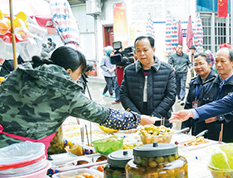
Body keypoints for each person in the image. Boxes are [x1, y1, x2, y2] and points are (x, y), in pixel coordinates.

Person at [0, 46, 155, 150]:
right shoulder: (66, 91)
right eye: (79, 72)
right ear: (68, 71)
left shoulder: (21, 73)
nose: (79, 77)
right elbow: (104, 115)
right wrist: (138, 119)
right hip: (25, 153)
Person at [120, 36, 176, 127]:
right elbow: (123, 95)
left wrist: (154, 116)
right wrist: (138, 117)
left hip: (160, 120)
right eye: (138, 50)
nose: (142, 54)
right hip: (137, 120)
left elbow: (170, 95)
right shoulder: (129, 70)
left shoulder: (167, 69)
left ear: (153, 50)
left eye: (145, 50)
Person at [191, 48, 233, 143]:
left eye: (223, 61)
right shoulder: (208, 85)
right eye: (217, 61)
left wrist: (220, 116)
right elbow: (202, 109)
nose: (218, 65)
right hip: (210, 137)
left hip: (232, 136)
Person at [182, 53, 217, 135]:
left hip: (211, 126)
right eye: (195, 65)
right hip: (196, 124)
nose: (198, 67)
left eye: (201, 64)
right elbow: (188, 105)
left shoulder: (216, 82)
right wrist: (185, 127)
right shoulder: (194, 82)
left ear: (209, 64)